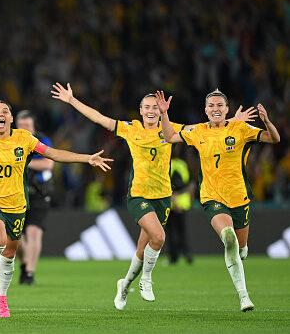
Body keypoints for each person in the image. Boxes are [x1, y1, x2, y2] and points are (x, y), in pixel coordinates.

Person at [51, 82, 256, 311]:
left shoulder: (169, 129)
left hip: (163, 197)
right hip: (139, 195)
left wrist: (232, 123)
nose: (151, 111)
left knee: (142, 250)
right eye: (146, 107)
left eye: (155, 108)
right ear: (140, 111)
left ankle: (125, 283)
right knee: (158, 237)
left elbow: (205, 129)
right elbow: (100, 118)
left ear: (160, 111)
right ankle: (147, 280)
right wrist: (72, 100)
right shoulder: (131, 128)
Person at [0, 100, 112, 318]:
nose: (0, 114)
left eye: (5, 112)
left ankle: (1, 297)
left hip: (17, 204)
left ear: (11, 119)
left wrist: (86, 158)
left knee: (10, 253)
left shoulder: (24, 139)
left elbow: (53, 153)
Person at [159, 88, 280, 311]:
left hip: (239, 197)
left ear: (227, 109)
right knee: (228, 237)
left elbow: (274, 138)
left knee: (240, 247)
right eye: (211, 106)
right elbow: (169, 136)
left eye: (219, 105)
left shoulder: (241, 128)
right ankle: (244, 296)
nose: (215, 109)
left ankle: (241, 252)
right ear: (205, 110)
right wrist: (164, 114)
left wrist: (267, 122)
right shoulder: (198, 131)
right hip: (212, 197)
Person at [15, 110, 54, 285]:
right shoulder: (11, 141)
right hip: (16, 194)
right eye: (21, 125)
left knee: (34, 232)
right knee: (17, 237)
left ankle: (29, 273)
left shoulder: (41, 141)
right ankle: (24, 264)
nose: (24, 128)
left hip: (39, 193)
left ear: (33, 126)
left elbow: (48, 163)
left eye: (27, 125)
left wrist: (23, 161)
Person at [166, 149, 194, 265]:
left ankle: (173, 257)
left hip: (172, 204)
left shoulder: (168, 165)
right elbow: (191, 184)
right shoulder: (183, 165)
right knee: (182, 231)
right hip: (183, 203)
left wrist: (175, 202)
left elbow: (168, 185)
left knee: (171, 232)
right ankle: (187, 255)